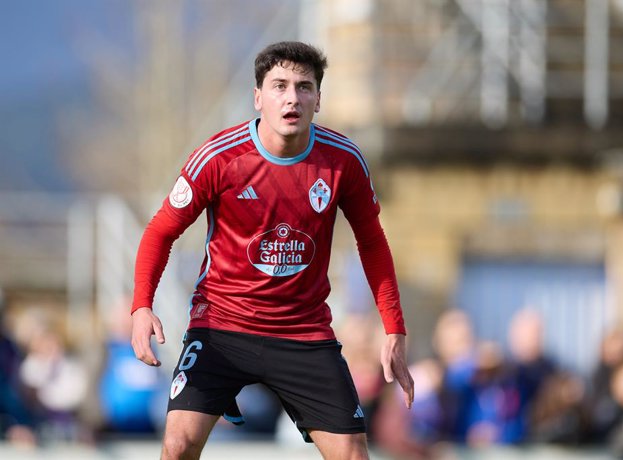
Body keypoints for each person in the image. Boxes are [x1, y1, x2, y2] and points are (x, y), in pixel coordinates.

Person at [130, 41, 414, 460]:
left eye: (304, 87)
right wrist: (141, 306)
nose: (292, 98)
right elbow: (160, 232)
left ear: (319, 99)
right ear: (258, 96)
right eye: (279, 85)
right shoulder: (219, 158)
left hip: (304, 334)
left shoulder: (343, 161)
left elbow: (372, 242)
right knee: (177, 446)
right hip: (222, 327)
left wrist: (394, 328)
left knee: (353, 455)